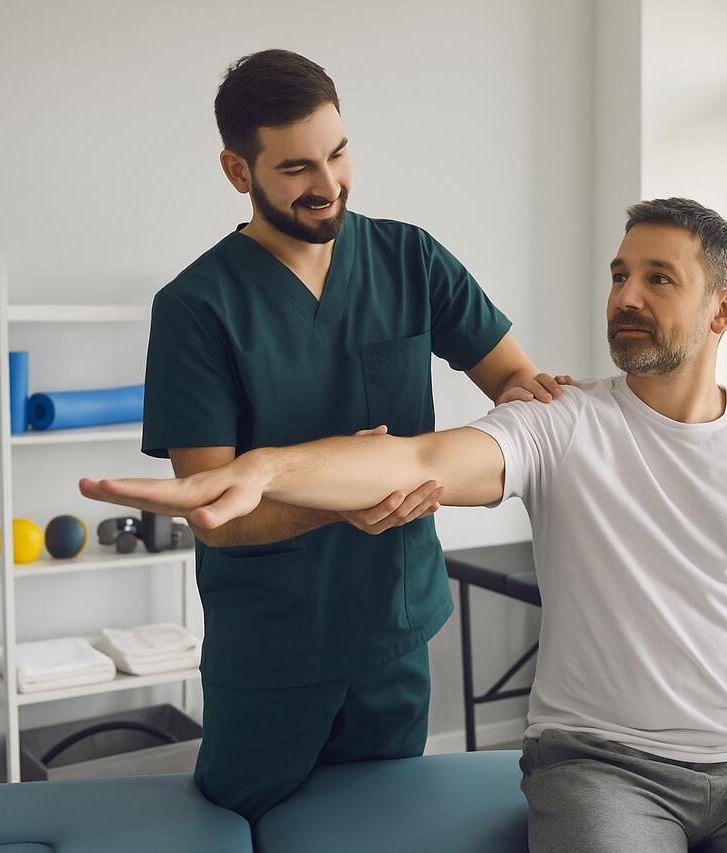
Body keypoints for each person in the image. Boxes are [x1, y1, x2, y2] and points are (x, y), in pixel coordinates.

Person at [89, 198, 727, 852]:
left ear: (722, 310)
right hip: (604, 765)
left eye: (659, 279)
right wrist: (262, 469)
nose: (626, 296)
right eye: (620, 274)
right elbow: (415, 459)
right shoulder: (564, 421)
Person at [140, 48, 567, 823]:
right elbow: (213, 511)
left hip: (393, 629)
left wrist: (537, 414)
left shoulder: (409, 258)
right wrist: (345, 496)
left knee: (384, 829)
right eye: (297, 167)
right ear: (238, 171)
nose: (329, 183)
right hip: (271, 648)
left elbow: (517, 382)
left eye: (338, 153)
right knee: (251, 830)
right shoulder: (196, 307)